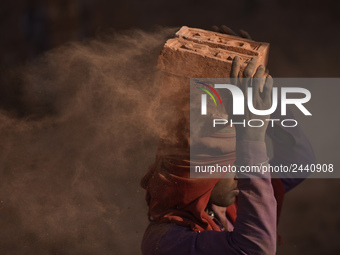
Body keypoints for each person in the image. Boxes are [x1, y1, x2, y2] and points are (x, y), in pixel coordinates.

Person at [140, 27, 316, 255]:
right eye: (237, 163)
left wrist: (260, 91)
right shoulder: (167, 241)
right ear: (197, 174)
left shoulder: (225, 204)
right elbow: (256, 250)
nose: (243, 173)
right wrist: (250, 140)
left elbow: (300, 162)